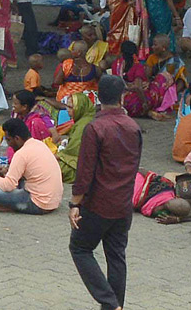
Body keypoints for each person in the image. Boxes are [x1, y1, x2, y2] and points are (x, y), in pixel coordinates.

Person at [69, 75, 143, 310]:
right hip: (123, 205)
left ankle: (110, 303)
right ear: (122, 97)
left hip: (98, 204)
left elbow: (85, 172)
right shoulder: (133, 127)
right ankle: (115, 305)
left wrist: (74, 204)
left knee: (80, 248)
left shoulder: (95, 128)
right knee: (116, 256)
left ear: (97, 97)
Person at [0, 117, 63, 214]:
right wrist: (7, 172)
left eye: (9, 140)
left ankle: (13, 207)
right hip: (54, 201)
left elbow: (8, 186)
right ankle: (12, 205)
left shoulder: (21, 154)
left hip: (39, 204)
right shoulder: (39, 144)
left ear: (17, 138)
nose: (8, 144)